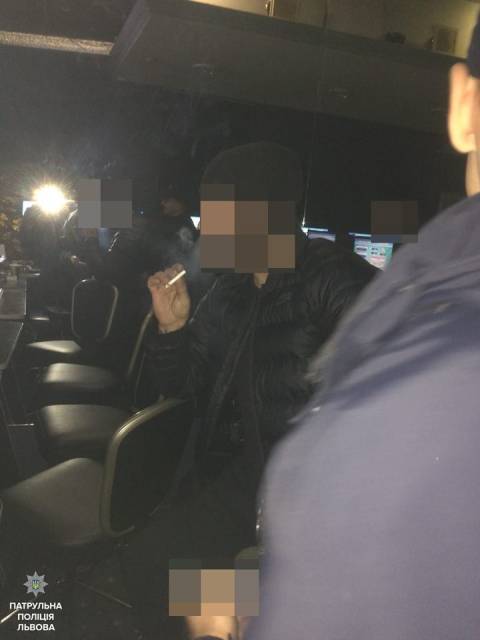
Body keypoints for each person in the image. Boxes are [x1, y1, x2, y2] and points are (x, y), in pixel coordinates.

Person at [244, 16, 480, 640]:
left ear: (464, 107)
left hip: (271, 517)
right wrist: (170, 333)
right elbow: (187, 398)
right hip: (241, 491)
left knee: (187, 583)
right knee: (169, 569)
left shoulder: (338, 281)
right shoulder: (221, 293)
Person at [121, 142, 378, 639]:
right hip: (240, 476)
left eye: (219, 215)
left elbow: (386, 408)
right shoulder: (230, 288)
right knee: (154, 561)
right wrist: (172, 328)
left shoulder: (334, 278)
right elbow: (183, 385)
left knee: (222, 597)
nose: (207, 232)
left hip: (311, 494)